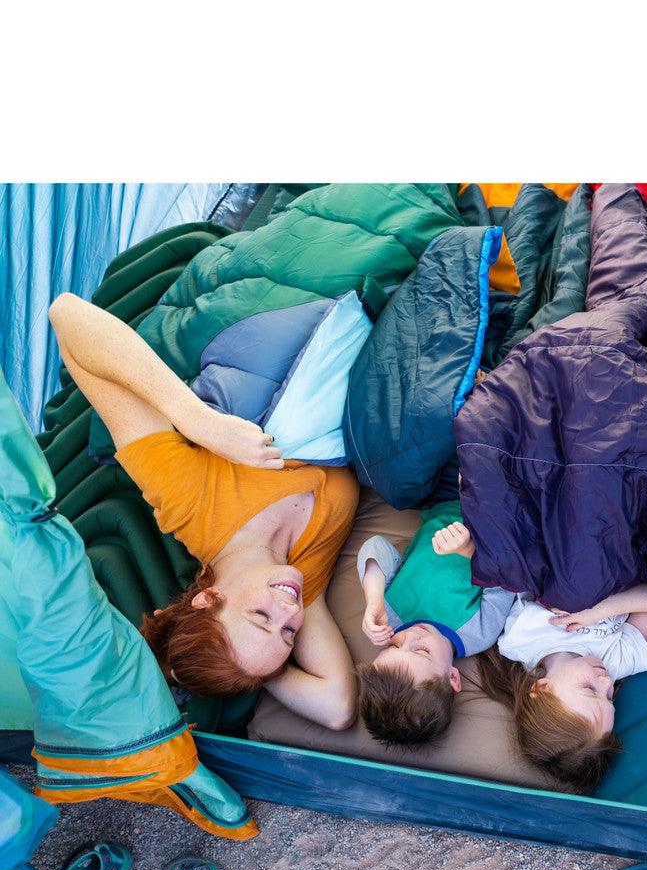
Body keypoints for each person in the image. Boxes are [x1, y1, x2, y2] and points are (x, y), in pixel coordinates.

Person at [47, 294, 359, 728]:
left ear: (208, 598)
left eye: (261, 617)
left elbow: (67, 315)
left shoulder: (189, 501)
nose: (288, 612)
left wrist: (197, 420)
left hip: (289, 315)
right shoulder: (305, 583)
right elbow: (338, 708)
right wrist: (254, 666)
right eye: (288, 634)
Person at [476, 582, 647, 794]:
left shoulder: (519, 638)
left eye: (590, 689)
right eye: (609, 697)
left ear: (543, 687)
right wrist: (601, 610)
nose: (606, 682)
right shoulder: (616, 661)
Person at [356, 509, 514, 748]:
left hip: (441, 503)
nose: (410, 636)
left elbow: (376, 546)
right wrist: (469, 550)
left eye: (394, 646)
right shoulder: (479, 632)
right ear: (452, 676)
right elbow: (507, 579)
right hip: (492, 519)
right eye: (422, 652)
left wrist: (374, 597)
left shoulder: (389, 615)